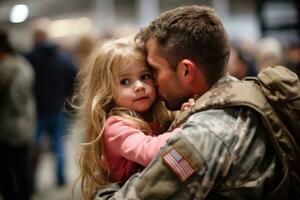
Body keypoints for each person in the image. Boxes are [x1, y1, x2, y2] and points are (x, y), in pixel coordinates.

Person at [93, 5, 283, 200]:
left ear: (186, 71)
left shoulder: (196, 137)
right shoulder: (248, 94)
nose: (153, 83)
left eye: (153, 71)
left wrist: (101, 192)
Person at [73, 37, 195, 200]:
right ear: (107, 91)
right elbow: (150, 151)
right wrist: (189, 127)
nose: (139, 86)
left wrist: (184, 117)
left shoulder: (154, 115)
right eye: (125, 81)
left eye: (145, 77)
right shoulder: (115, 126)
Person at [26, 27, 77, 189]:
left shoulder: (29, 59)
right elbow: (74, 80)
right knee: (59, 145)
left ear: (35, 38)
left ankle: (30, 182)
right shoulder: (62, 58)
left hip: (36, 111)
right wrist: (67, 99)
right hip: (58, 108)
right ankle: (60, 178)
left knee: (34, 147)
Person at [0, 30, 36, 200]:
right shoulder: (24, 65)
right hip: (25, 126)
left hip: (4, 130)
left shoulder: (3, 69)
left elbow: (14, 102)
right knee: (22, 169)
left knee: (5, 172)